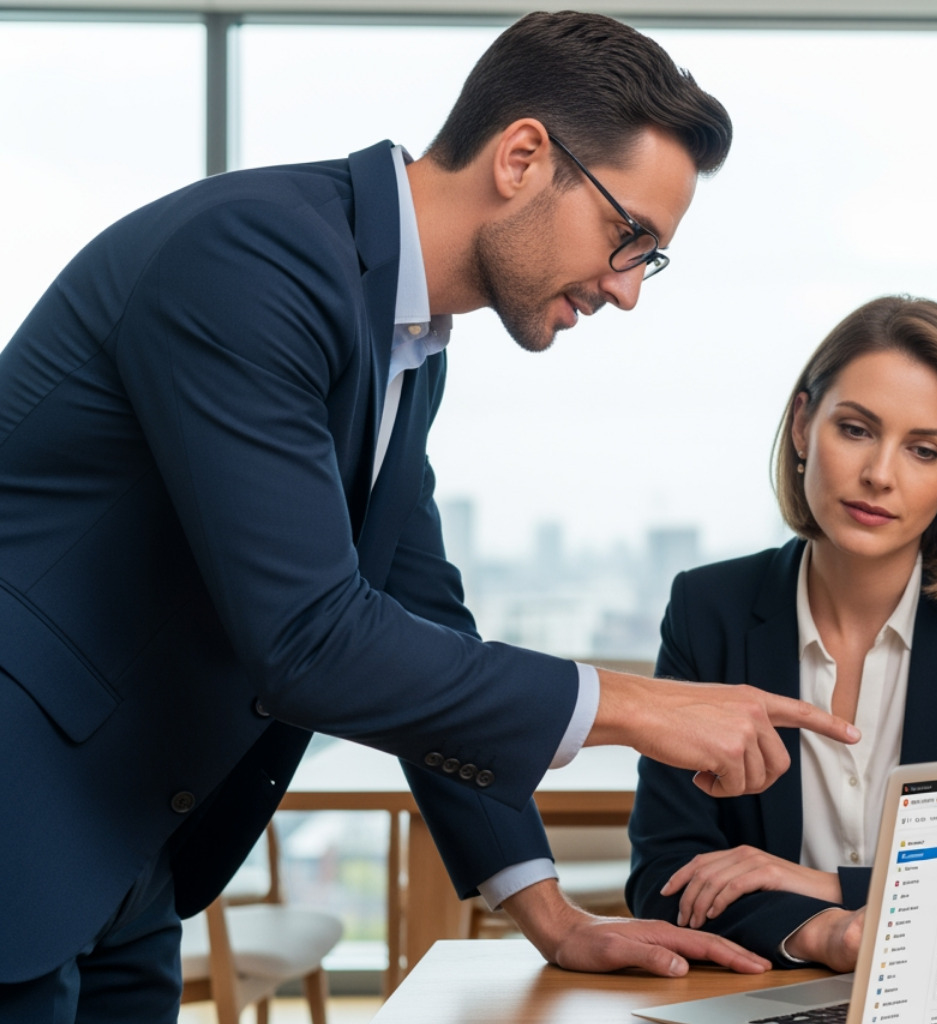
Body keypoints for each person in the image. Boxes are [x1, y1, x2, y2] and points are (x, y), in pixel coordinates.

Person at [0, 12, 861, 1020]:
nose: (628, 290)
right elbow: (311, 639)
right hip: (23, 814)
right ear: (523, 157)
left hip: (119, 857)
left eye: (650, 260)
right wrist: (637, 706)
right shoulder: (254, 260)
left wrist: (549, 914)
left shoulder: (409, 344)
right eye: (629, 237)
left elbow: (418, 620)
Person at [626, 296, 937, 970]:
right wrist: (820, 932)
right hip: (767, 992)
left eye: (924, 450)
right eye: (855, 430)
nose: (879, 474)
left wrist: (830, 888)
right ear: (802, 425)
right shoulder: (710, 609)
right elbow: (666, 876)